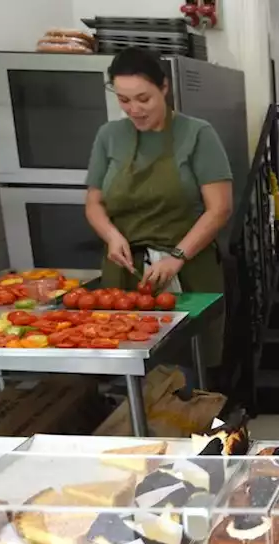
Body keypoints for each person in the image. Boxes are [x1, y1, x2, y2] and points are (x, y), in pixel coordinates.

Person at [85, 47, 232, 369]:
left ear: (164, 87)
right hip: (126, 272)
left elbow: (219, 208)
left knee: (189, 366)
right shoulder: (109, 136)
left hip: (188, 266)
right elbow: (94, 202)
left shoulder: (197, 134)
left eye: (143, 98)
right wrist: (111, 236)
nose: (134, 109)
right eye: (124, 100)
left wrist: (177, 256)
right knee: (129, 361)